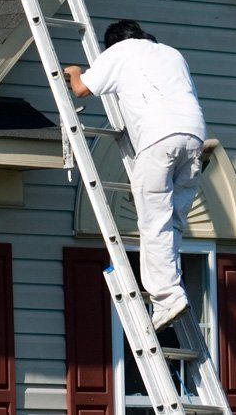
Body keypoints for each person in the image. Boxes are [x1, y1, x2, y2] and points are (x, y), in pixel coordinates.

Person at [64, 19, 206, 331]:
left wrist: (74, 71)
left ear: (113, 43)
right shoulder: (171, 53)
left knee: (153, 221)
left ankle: (168, 296)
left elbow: (82, 89)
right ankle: (173, 287)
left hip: (158, 140)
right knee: (173, 221)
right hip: (193, 137)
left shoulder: (120, 52)